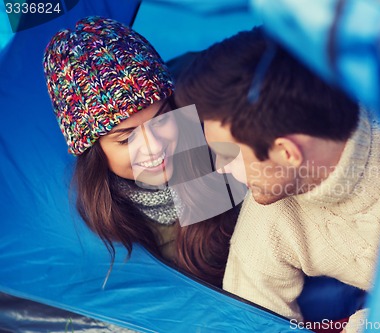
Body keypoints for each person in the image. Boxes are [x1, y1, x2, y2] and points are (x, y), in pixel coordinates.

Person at [175, 27, 380, 331]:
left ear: (286, 151)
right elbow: (248, 322)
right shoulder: (271, 208)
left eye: (228, 154)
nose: (219, 168)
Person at [42, 16, 241, 288]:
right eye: (126, 139)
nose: (153, 146)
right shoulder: (85, 227)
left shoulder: (228, 155)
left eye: (162, 120)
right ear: (93, 152)